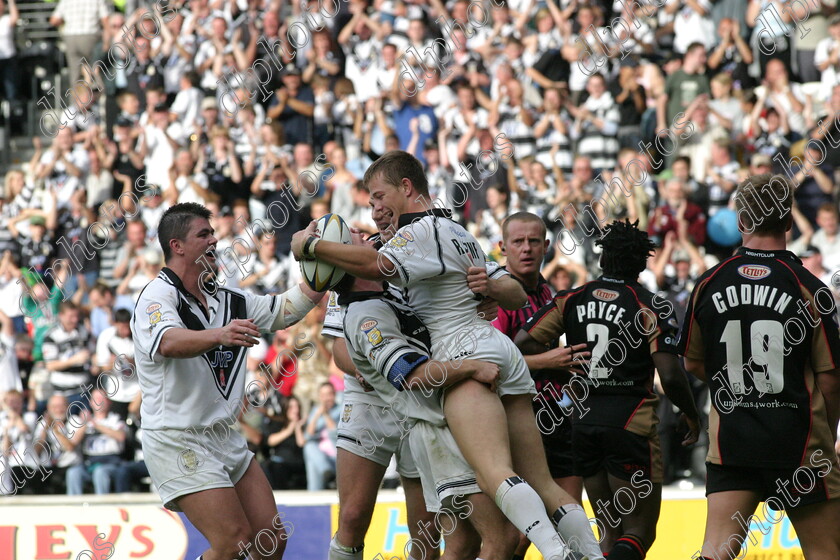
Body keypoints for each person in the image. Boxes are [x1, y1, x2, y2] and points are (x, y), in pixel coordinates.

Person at [291, 151, 606, 560]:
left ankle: (556, 554)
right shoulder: (453, 229)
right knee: (540, 483)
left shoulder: (408, 238)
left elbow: (380, 265)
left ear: (406, 188)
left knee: (494, 479)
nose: (373, 209)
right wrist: (490, 290)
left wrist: (310, 245)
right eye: (369, 202)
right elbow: (514, 290)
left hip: (455, 363)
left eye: (378, 196)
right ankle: (591, 555)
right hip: (481, 354)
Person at [130, 202, 326, 560]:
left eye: (213, 232)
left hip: (223, 435)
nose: (214, 240)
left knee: (271, 540)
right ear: (177, 246)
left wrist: (322, 264)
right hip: (177, 439)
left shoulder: (229, 300)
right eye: (203, 234)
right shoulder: (155, 297)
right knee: (233, 543)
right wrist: (219, 335)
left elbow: (284, 310)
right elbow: (168, 341)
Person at [516, 219, 701, 560]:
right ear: (642, 263)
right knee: (639, 532)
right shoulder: (651, 306)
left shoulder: (570, 298)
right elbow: (671, 376)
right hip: (631, 424)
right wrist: (691, 414)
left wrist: (553, 360)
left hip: (583, 423)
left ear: (602, 260)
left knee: (609, 531)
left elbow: (521, 343)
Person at [677, 174, 840, 560]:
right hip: (799, 442)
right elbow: (831, 379)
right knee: (825, 553)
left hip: (733, 441)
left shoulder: (708, 283)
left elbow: (693, 362)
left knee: (716, 551)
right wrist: (827, 435)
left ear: (741, 223)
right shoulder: (809, 287)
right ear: (787, 223)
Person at [490, 212, 589, 560]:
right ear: (503, 247)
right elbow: (491, 365)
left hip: (558, 417)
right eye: (518, 241)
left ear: (547, 246)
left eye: (534, 241)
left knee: (568, 518)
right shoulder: (497, 297)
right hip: (515, 420)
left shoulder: (549, 292)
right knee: (518, 536)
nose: (527, 248)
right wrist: (548, 362)